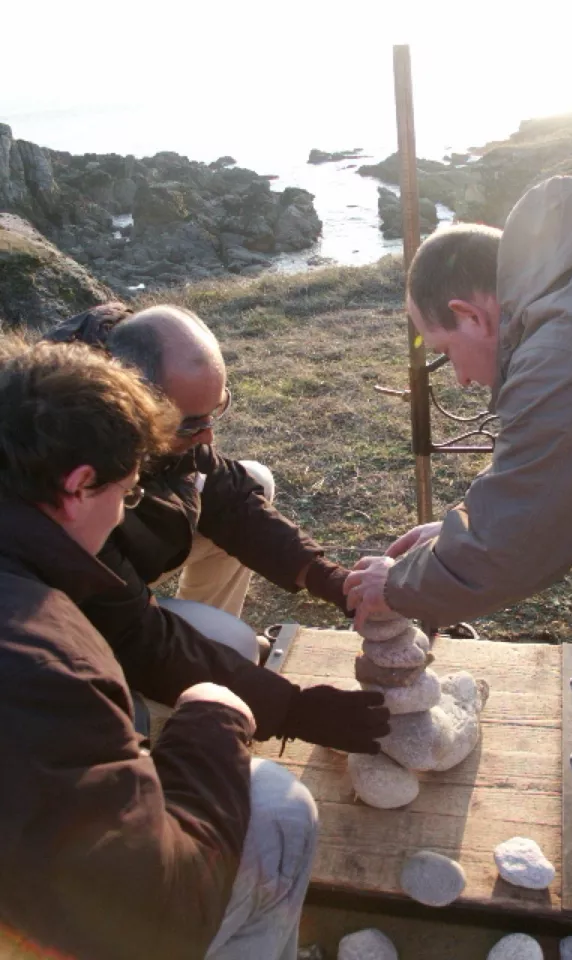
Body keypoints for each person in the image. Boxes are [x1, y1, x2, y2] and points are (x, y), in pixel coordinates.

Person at [345, 174, 572, 779]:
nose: (461, 380)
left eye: (443, 353)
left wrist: (400, 585)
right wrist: (450, 533)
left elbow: (520, 537)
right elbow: (548, 463)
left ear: (470, 315)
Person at [0, 336, 338, 960]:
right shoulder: (46, 660)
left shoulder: (40, 447)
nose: (128, 505)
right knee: (276, 805)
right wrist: (212, 721)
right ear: (78, 485)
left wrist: (325, 576)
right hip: (63, 918)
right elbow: (153, 911)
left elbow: (232, 494)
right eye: (127, 494)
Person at [47, 301, 351, 666]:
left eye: (216, 410)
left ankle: (203, 632)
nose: (207, 437)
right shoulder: (65, 465)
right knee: (231, 647)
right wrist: (283, 702)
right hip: (66, 601)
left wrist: (332, 581)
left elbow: (231, 501)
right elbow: (128, 624)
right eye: (190, 424)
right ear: (131, 407)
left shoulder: (143, 385)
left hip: (126, 559)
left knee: (255, 480)